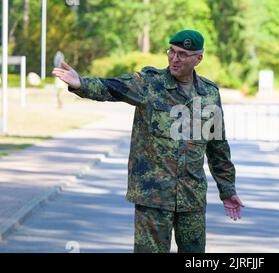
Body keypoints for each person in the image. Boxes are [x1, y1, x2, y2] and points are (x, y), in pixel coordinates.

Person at [52, 29, 244, 253]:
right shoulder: (149, 84)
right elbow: (113, 88)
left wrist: (227, 189)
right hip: (153, 197)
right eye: (171, 51)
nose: (174, 58)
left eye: (182, 54)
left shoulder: (209, 94)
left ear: (198, 58)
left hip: (191, 198)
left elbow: (217, 145)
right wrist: (80, 84)